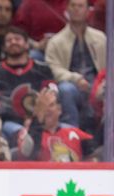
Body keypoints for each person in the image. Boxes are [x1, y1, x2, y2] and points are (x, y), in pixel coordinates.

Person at [44, 0, 106, 129]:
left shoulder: (101, 38)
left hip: (99, 85)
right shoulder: (56, 41)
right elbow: (52, 68)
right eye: (73, 5)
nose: (76, 9)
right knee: (66, 90)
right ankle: (72, 136)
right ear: (67, 9)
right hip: (73, 87)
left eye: (80, 6)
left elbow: (108, 66)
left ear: (88, 10)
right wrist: (75, 78)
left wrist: (103, 83)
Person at [0, 26, 55, 143]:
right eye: (9, 40)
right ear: (4, 47)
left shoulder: (43, 69)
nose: (13, 42)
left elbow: (52, 98)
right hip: (9, 124)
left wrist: (36, 118)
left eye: (17, 39)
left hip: (43, 122)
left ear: (27, 44)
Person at [17, 86, 96, 161]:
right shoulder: (26, 134)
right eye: (43, 106)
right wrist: (38, 119)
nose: (47, 110)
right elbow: (26, 154)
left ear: (59, 109)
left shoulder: (75, 134)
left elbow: (94, 157)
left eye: (51, 105)